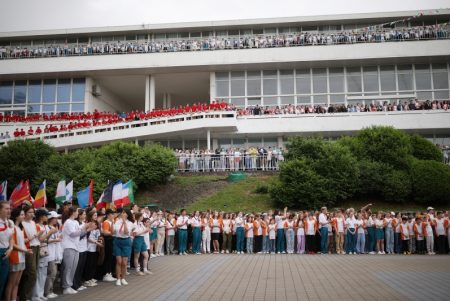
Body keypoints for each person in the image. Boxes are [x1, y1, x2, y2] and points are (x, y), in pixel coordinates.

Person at [60, 207, 95, 295]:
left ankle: (70, 285)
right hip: (68, 246)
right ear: (73, 212)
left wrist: (87, 229)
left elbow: (79, 234)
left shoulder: (75, 222)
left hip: (76, 247)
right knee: (68, 267)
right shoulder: (68, 222)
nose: (77, 213)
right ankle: (65, 287)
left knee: (73, 267)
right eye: (76, 212)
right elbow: (72, 234)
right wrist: (84, 227)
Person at [19, 205, 42, 301]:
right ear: (24, 213)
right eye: (30, 212)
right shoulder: (22, 224)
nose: (32, 214)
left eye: (33, 212)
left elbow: (39, 238)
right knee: (31, 273)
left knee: (33, 272)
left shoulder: (33, 223)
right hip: (29, 249)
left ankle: (26, 296)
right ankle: (24, 297)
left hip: (37, 247)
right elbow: (23, 241)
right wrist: (36, 235)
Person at [113, 209, 135, 286]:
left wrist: (124, 222)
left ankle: (123, 278)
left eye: (124, 213)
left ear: (127, 214)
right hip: (117, 241)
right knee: (119, 261)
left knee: (124, 262)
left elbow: (126, 232)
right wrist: (114, 221)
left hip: (126, 241)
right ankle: (118, 278)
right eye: (122, 213)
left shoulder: (131, 223)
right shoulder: (117, 221)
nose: (122, 214)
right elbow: (114, 231)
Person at [44, 211, 63, 299]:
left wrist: (59, 238)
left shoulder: (55, 227)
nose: (56, 220)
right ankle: (47, 292)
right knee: (51, 273)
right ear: (51, 218)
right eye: (55, 218)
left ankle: (50, 290)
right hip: (49, 253)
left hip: (55, 253)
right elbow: (45, 240)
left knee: (53, 273)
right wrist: (56, 240)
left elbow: (57, 238)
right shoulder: (47, 228)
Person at [1, 203, 16, 301]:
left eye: (9, 209)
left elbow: (11, 238)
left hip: (6, 252)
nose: (9, 210)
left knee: (2, 281)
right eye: (6, 208)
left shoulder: (9, 222)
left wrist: (10, 249)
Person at [84, 211, 102, 285]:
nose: (96, 216)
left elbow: (98, 235)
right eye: (94, 215)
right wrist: (95, 242)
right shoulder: (88, 224)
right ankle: (87, 279)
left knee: (94, 263)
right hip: (89, 247)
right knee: (89, 264)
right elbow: (87, 237)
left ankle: (91, 277)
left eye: (96, 215)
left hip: (95, 247)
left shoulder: (97, 224)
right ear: (90, 216)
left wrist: (99, 240)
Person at [101, 209, 116, 282]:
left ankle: (109, 273)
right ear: (108, 215)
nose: (113, 216)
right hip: (108, 241)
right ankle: (106, 274)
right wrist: (112, 233)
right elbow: (105, 232)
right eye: (112, 214)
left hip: (112, 240)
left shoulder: (111, 222)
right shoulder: (106, 222)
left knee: (111, 257)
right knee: (108, 257)